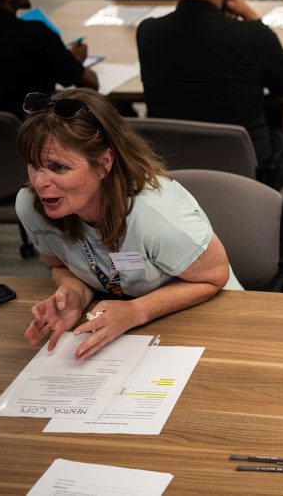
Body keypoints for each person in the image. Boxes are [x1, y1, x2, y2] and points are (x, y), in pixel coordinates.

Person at [16, 88, 240, 360]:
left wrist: (136, 311)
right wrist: (75, 291)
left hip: (212, 316)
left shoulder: (154, 214)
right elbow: (59, 264)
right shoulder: (33, 207)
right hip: (129, 329)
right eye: (33, 165)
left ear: (103, 163)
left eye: (57, 167)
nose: (39, 183)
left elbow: (215, 275)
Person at [137, 0, 283, 250]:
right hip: (244, 168)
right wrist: (252, 18)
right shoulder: (250, 37)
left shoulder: (148, 33)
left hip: (170, 167)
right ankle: (273, 240)